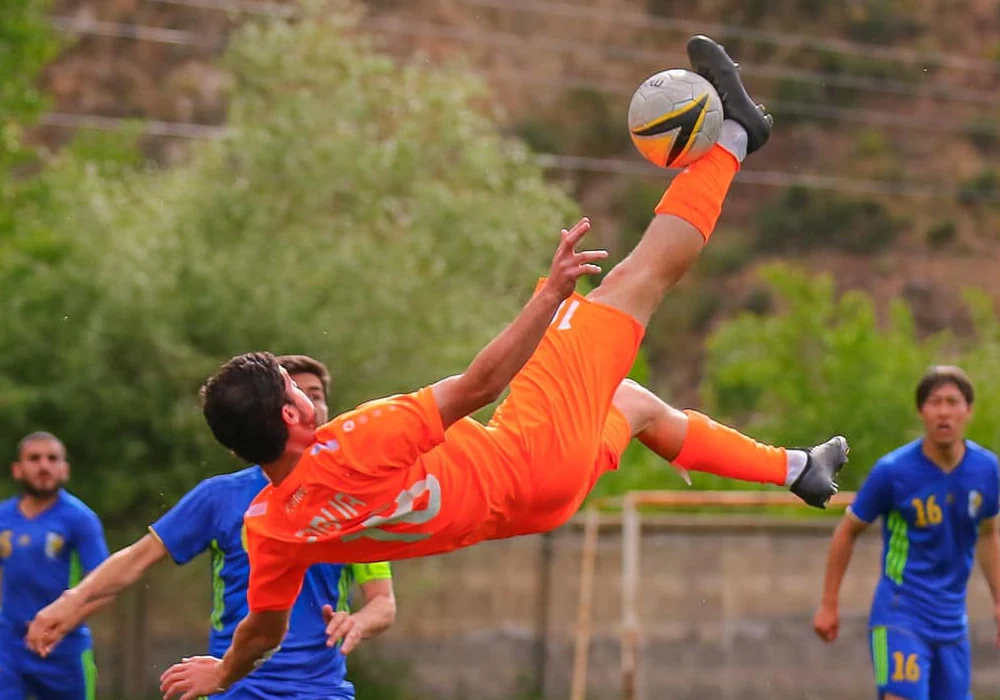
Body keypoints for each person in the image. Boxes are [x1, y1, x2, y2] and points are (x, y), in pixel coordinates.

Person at [160, 36, 849, 699]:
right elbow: (479, 384)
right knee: (631, 286)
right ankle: (737, 135)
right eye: (294, 389)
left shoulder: (271, 528)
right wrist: (549, 297)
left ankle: (795, 469)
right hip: (529, 453)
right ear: (291, 415)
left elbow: (263, 627)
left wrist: (221, 676)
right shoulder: (357, 442)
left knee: (633, 404)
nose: (309, 395)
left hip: (537, 503)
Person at [27, 356, 396, 700]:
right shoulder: (222, 497)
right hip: (234, 684)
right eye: (298, 393)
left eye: (315, 395)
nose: (309, 405)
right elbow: (137, 558)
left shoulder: (350, 498)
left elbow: (383, 602)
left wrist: (359, 622)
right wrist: (72, 599)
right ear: (273, 413)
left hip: (321, 690)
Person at [813, 365, 1000, 700]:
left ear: (968, 411)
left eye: (953, 402)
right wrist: (829, 603)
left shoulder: (986, 470)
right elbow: (848, 531)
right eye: (935, 402)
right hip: (901, 612)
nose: (944, 411)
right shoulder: (892, 472)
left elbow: (988, 534)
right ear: (921, 411)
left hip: (952, 621)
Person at [0, 431, 109, 700]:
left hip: (63, 647)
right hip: (8, 646)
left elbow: (105, 585)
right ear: (17, 469)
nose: (44, 466)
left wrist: (63, 622)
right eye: (34, 458)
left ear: (65, 469)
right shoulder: (3, 517)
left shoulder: (79, 519)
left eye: (52, 458)